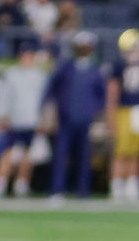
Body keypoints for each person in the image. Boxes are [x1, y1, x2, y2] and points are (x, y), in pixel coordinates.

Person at [42, 31, 108, 203]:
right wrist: (50, 112)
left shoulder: (95, 70)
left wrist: (99, 117)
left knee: (84, 156)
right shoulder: (65, 67)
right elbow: (52, 91)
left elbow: (101, 96)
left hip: (86, 120)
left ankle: (82, 190)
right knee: (60, 155)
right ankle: (57, 190)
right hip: (65, 119)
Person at [0, 40, 52, 198]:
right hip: (14, 118)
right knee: (7, 152)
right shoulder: (11, 74)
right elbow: (4, 96)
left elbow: (44, 101)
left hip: (31, 119)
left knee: (27, 154)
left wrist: (43, 119)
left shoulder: (40, 76)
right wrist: (1, 115)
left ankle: (21, 183)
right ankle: (0, 182)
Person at [106, 28, 139, 203]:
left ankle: (132, 185)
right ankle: (117, 185)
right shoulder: (118, 66)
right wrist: (110, 115)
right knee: (120, 149)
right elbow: (112, 91)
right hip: (123, 110)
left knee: (136, 150)